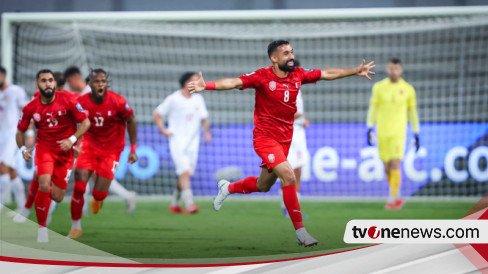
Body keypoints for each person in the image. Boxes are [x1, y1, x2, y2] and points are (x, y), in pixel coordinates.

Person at [188, 40, 375, 246]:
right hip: (265, 139)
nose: (291, 56)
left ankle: (228, 188)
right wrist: (208, 85)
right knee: (289, 176)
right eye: (286, 53)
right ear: (274, 58)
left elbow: (327, 74)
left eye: (292, 52)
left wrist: (355, 70)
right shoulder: (262, 76)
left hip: (285, 139)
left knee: (263, 185)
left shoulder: (298, 75)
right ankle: (301, 232)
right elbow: (233, 82)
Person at [17, 69, 90, 242]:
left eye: (50, 80)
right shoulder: (31, 107)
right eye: (43, 80)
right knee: (44, 184)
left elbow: (85, 122)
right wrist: (22, 150)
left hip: (65, 152)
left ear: (55, 84)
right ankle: (42, 229)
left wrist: (73, 141)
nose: (48, 83)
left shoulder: (69, 100)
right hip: (44, 149)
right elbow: (19, 131)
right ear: (37, 84)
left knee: (57, 196)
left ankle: (36, 201)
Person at [67, 69, 138, 239]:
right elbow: (72, 121)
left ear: (107, 83)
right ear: (89, 84)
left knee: (99, 193)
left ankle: (97, 199)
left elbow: (131, 120)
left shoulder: (118, 101)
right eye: (96, 81)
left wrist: (133, 148)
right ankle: (76, 227)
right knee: (79, 185)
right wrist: (74, 142)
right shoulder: (81, 102)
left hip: (111, 150)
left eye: (103, 81)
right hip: (88, 148)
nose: (100, 84)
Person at [153, 72, 211, 214]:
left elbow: (204, 117)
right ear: (186, 83)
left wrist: (207, 132)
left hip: (193, 143)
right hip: (177, 141)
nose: (198, 82)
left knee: (185, 174)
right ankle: (190, 203)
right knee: (184, 172)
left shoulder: (198, 99)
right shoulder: (173, 99)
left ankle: (174, 203)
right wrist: (163, 130)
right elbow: (157, 113)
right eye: (194, 80)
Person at [366, 58, 420, 210]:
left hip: (399, 133)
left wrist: (416, 132)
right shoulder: (378, 87)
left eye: (396, 69)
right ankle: (397, 195)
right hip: (382, 132)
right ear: (387, 69)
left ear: (401, 70)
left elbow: (413, 112)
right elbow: (373, 108)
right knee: (386, 167)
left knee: (395, 163)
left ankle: (392, 198)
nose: (394, 71)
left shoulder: (408, 89)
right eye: (391, 68)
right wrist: (369, 127)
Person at [0, 66, 27, 212]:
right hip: (1, 135)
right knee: (11, 170)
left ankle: (2, 203)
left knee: (3, 165)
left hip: (13, 135)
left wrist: (28, 133)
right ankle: (22, 205)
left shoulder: (16, 91)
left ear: (4, 75)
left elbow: (26, 111)